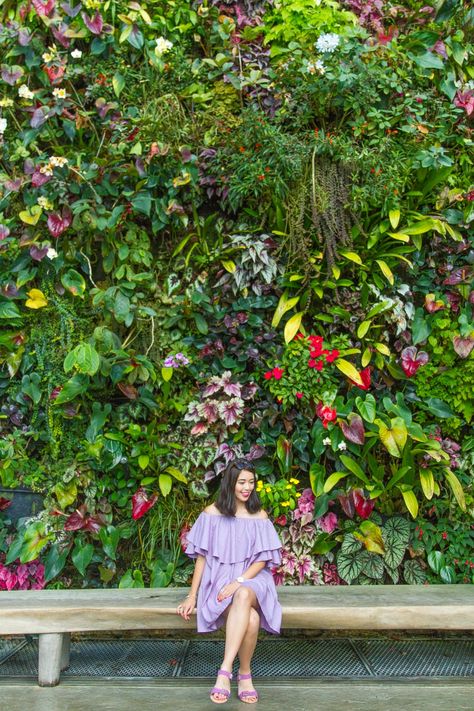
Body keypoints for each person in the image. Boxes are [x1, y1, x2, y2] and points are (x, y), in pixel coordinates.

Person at [176, 458, 282, 704]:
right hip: (220, 580)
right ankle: (244, 674)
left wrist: (239, 581)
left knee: (243, 594)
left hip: (253, 579)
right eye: (241, 482)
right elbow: (201, 559)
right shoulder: (211, 514)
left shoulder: (259, 515)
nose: (247, 487)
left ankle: (224, 671)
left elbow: (262, 561)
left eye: (251, 482)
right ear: (230, 483)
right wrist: (192, 596)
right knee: (252, 619)